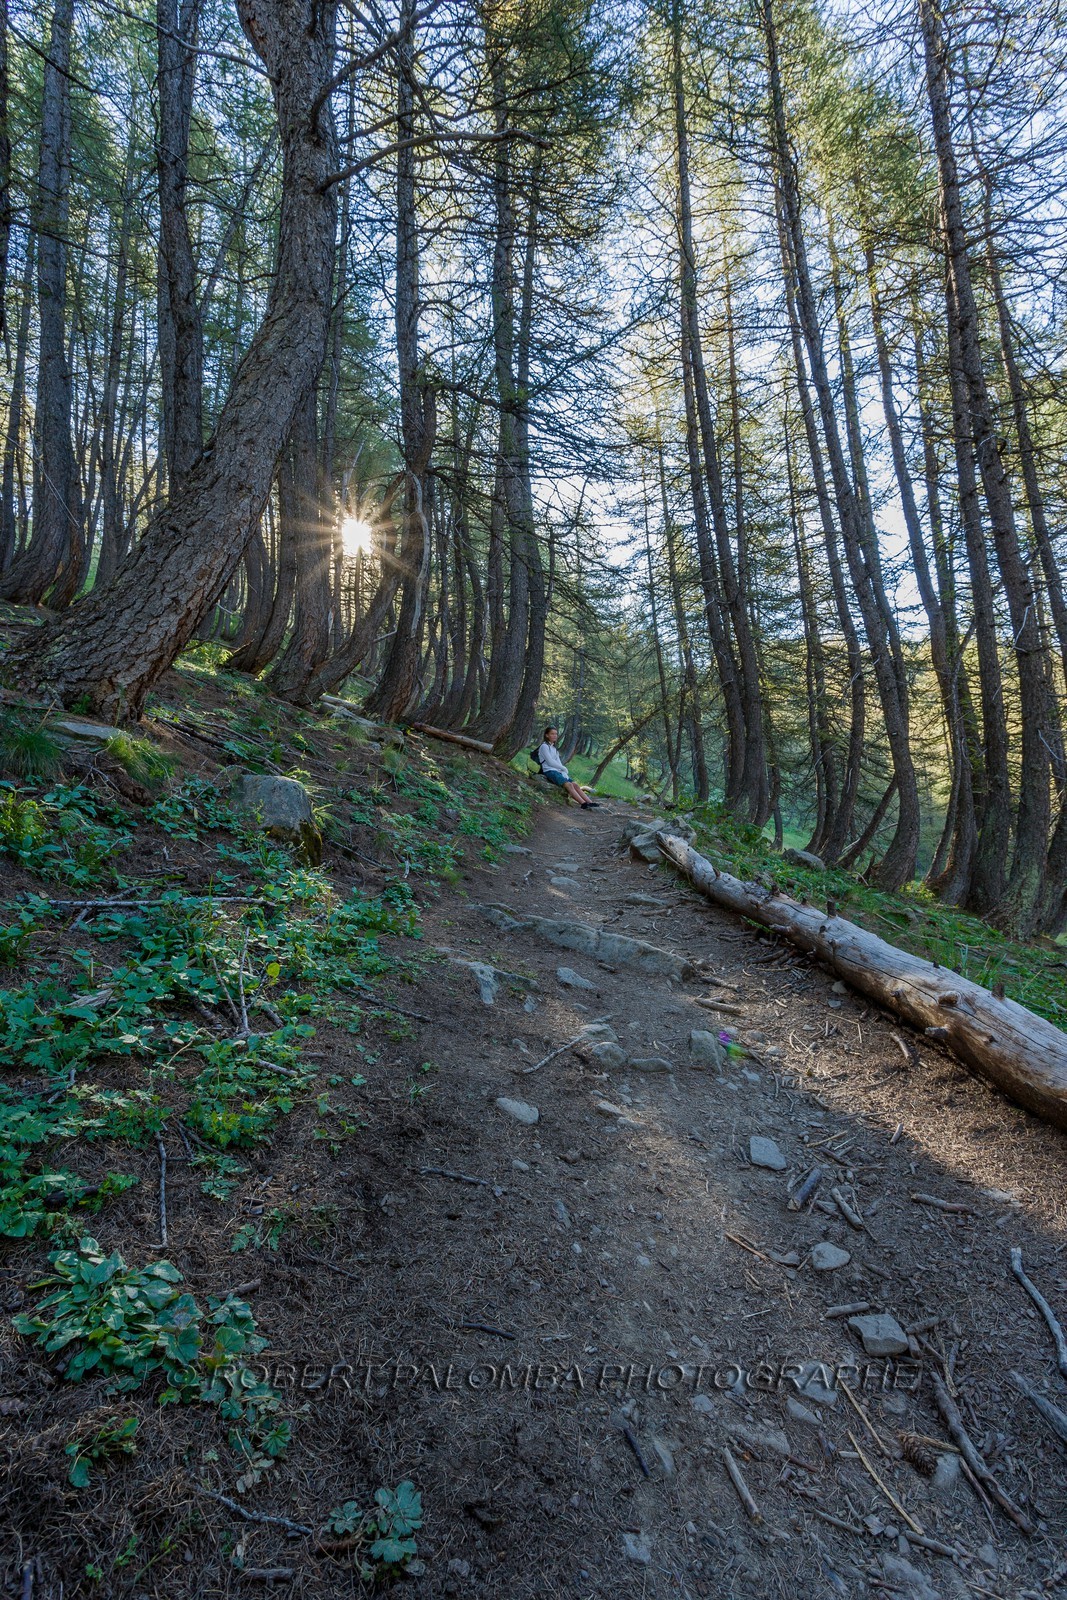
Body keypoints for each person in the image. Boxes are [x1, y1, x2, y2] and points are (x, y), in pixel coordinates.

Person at [536, 726, 600, 808]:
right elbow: (550, 762)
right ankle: (583, 804)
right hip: (549, 771)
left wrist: (563, 771)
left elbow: (558, 762)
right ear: (546, 735)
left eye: (556, 734)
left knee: (575, 785)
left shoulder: (554, 748)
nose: (555, 736)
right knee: (569, 785)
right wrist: (563, 768)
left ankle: (590, 802)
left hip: (557, 771)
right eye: (552, 734)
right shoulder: (544, 746)